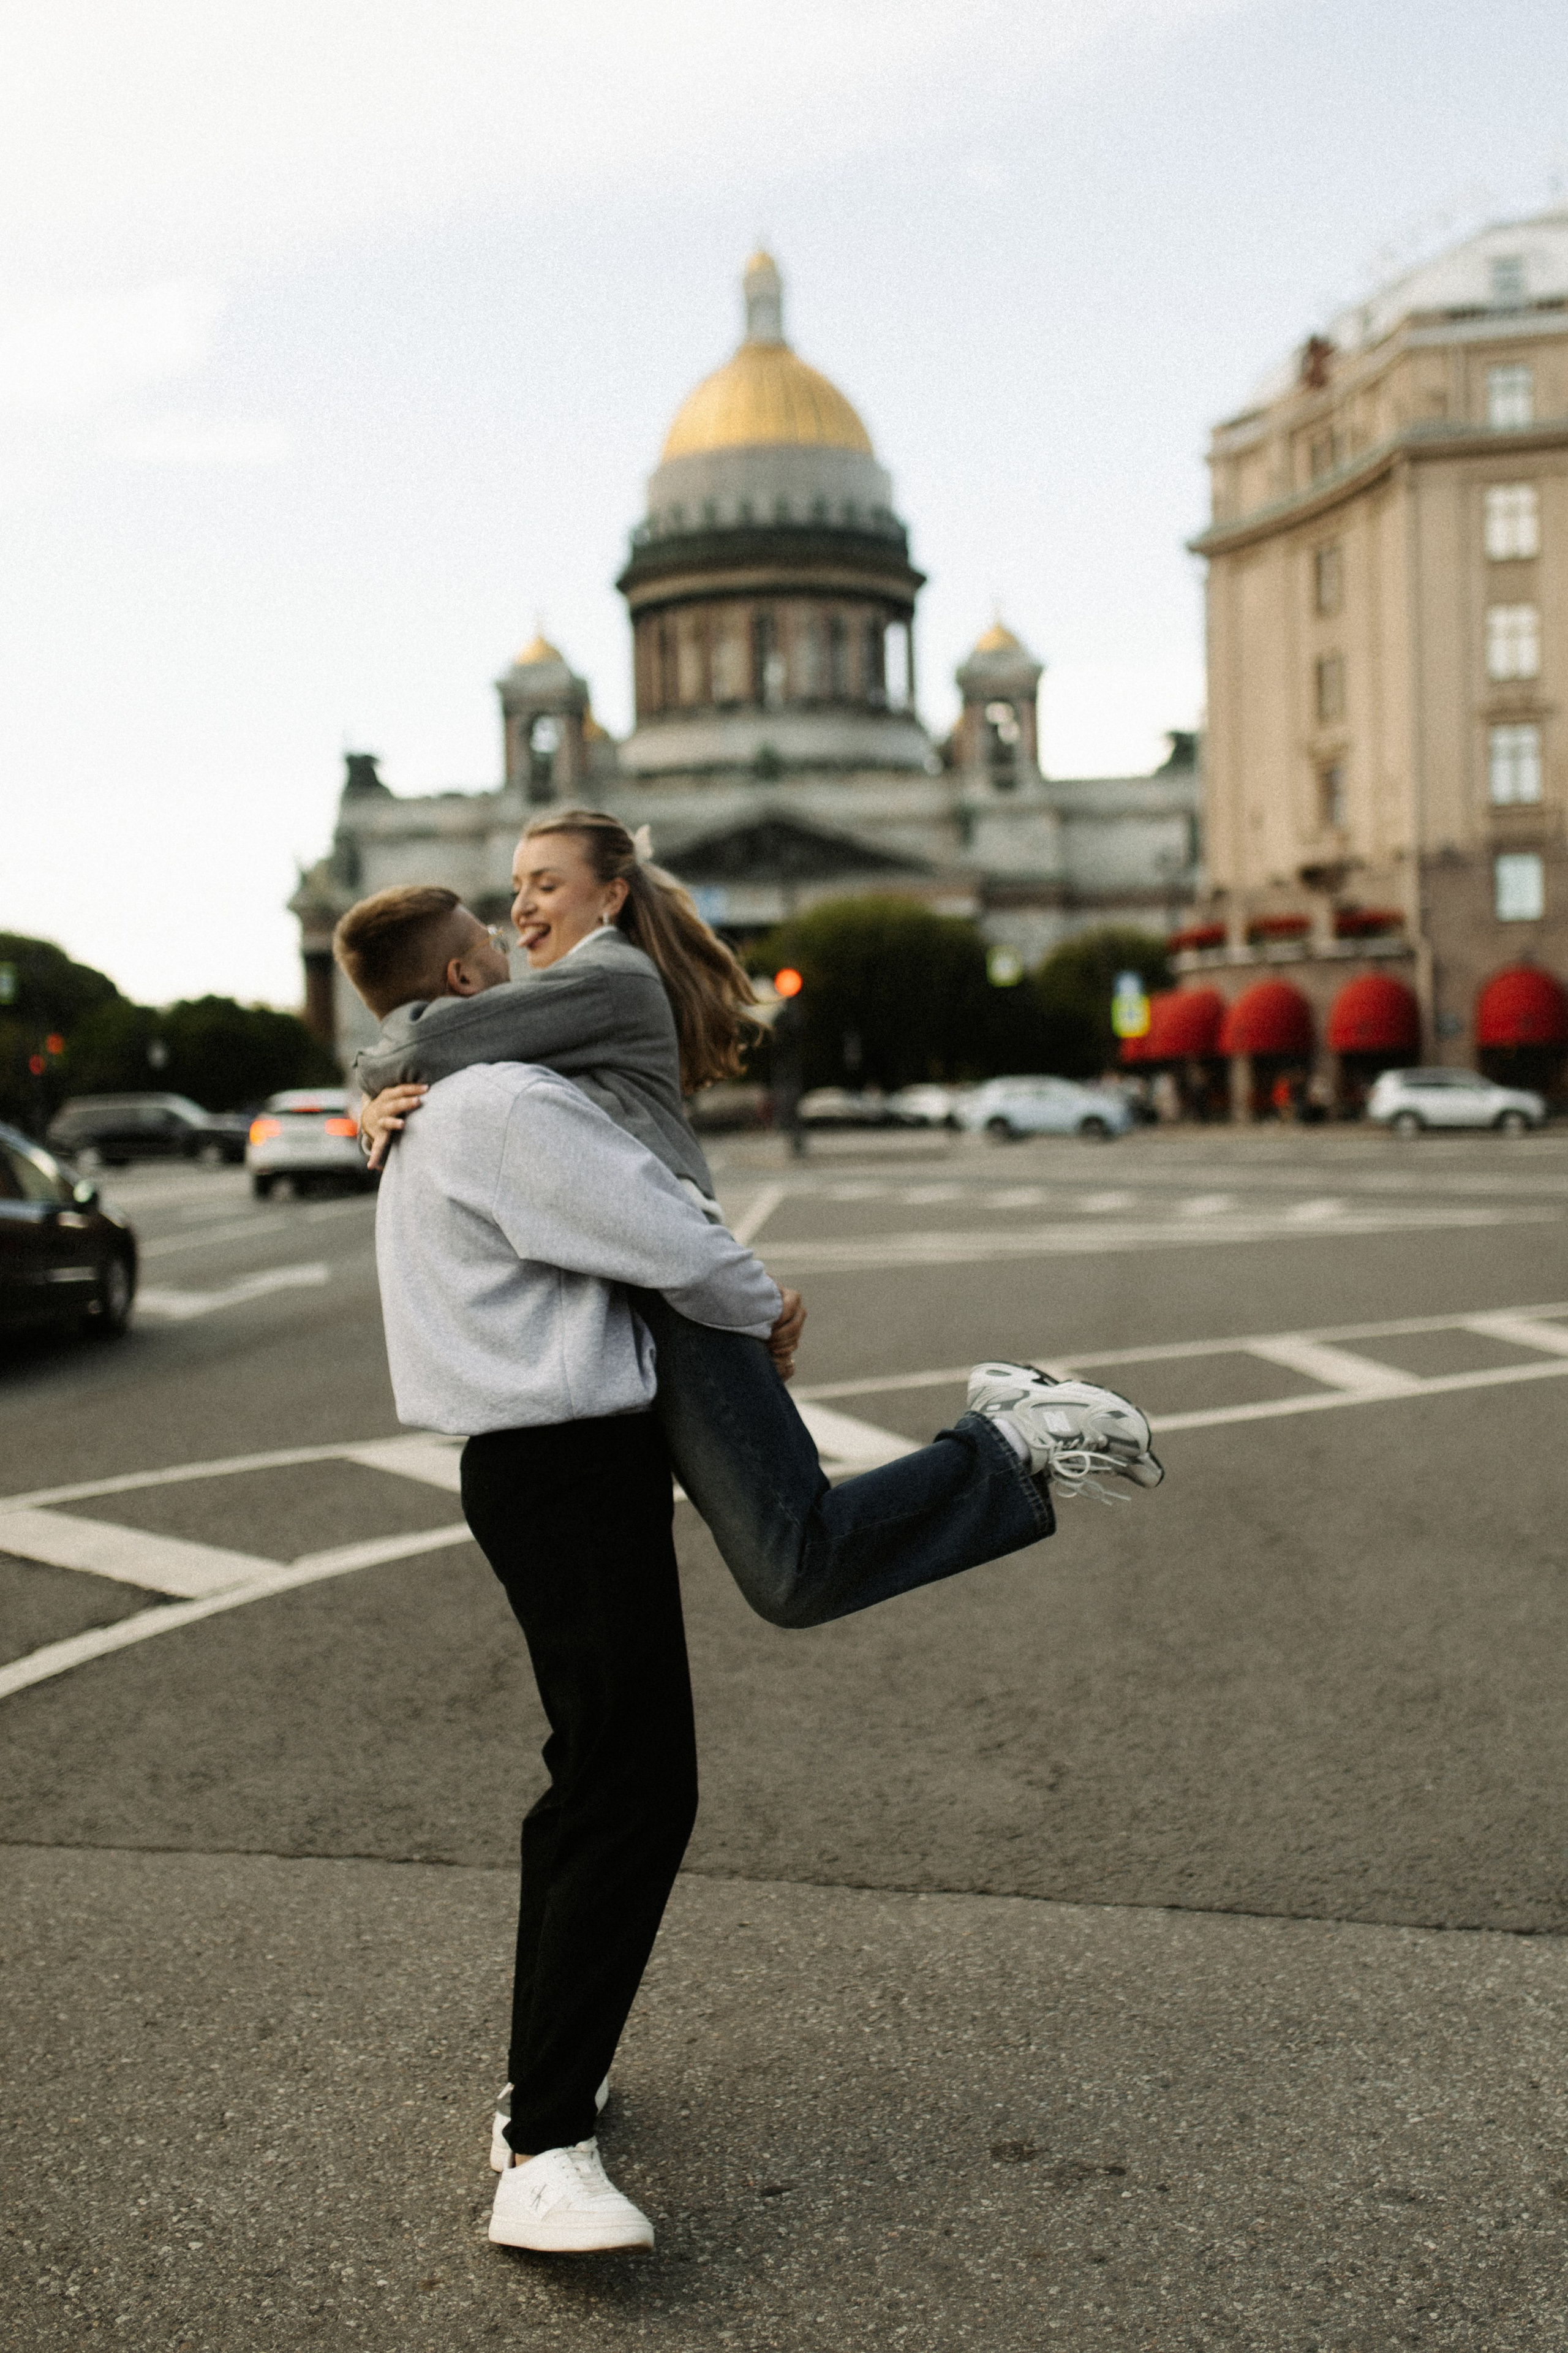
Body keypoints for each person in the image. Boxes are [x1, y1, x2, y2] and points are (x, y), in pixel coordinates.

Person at [355, 813, 1164, 1636]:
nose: (522, 907)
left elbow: (420, 1041)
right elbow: (453, 1072)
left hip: (680, 1295)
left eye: (547, 884)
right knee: (787, 1566)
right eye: (517, 887)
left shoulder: (609, 975)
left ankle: (1020, 1433)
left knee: (794, 1562)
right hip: (651, 1294)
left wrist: (373, 1087)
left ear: (612, 897)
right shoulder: (564, 1001)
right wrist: (379, 1111)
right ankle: (1012, 1429)